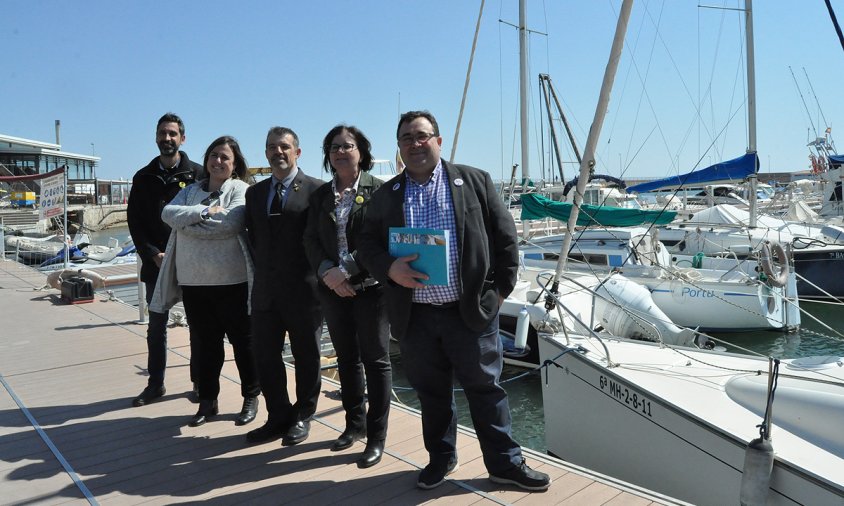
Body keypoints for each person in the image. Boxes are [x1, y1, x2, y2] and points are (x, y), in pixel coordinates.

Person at [358, 111, 551, 491]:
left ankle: (505, 464)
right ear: (398, 147)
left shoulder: (474, 181)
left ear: (438, 141)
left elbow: (505, 239)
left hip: (469, 313)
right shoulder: (386, 195)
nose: (415, 144)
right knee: (432, 394)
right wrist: (388, 269)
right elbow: (366, 244)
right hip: (415, 316)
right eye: (406, 138)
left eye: (422, 136)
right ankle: (441, 457)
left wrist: (499, 293)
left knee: (487, 391)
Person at [151, 136, 261, 427]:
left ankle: (251, 396)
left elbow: (231, 223)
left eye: (225, 157)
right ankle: (208, 401)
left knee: (243, 344)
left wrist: (187, 225)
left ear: (235, 163)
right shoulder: (190, 192)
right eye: (214, 155)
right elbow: (166, 213)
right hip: (195, 283)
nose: (218, 161)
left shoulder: (240, 189)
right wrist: (202, 212)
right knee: (207, 346)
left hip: (232, 281)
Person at [303, 125, 391, 468]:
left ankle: (376, 436)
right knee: (346, 359)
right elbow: (310, 240)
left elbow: (383, 241)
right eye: (334, 147)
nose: (341, 152)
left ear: (361, 151)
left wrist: (348, 270)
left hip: (371, 290)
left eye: (348, 146)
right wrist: (328, 271)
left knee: (376, 361)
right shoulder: (321, 195)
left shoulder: (379, 192)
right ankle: (353, 425)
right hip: (333, 290)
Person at [244, 126, 323, 445]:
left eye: (284, 147)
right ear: (265, 153)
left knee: (307, 357)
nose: (278, 152)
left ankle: (303, 415)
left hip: (304, 291)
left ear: (297, 152)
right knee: (265, 356)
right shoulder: (255, 193)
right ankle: (277, 415)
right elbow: (252, 239)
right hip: (265, 291)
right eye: (271, 147)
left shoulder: (317, 191)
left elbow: (322, 241)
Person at [127, 112, 202, 407]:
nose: (167, 139)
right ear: (156, 137)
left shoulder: (197, 174)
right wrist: (151, 253)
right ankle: (155, 384)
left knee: (198, 326)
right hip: (155, 263)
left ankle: (199, 382)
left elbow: (205, 218)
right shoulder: (143, 177)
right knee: (156, 326)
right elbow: (135, 222)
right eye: (162, 133)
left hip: (192, 264)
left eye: (172, 134)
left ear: (182, 138)